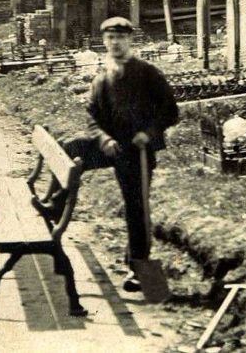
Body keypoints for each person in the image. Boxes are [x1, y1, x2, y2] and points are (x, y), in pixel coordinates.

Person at [86, 16, 179, 292]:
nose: (115, 43)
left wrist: (148, 133)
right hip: (114, 149)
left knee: (138, 208)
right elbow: (91, 116)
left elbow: (170, 111)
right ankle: (56, 200)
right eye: (110, 38)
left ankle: (140, 269)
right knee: (72, 147)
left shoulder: (147, 72)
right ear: (104, 42)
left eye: (120, 38)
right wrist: (103, 138)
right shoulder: (102, 77)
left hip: (139, 151)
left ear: (130, 40)